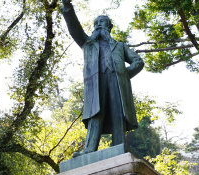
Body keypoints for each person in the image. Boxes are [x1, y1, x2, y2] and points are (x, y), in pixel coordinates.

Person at [61, 0, 144, 156]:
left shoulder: (120, 46)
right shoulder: (87, 43)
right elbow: (75, 29)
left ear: (109, 27)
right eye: (96, 23)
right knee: (95, 114)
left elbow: (138, 62)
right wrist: (67, 7)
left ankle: (119, 146)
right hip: (96, 83)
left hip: (117, 82)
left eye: (103, 22)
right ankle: (89, 149)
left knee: (118, 113)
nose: (99, 25)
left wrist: (125, 74)